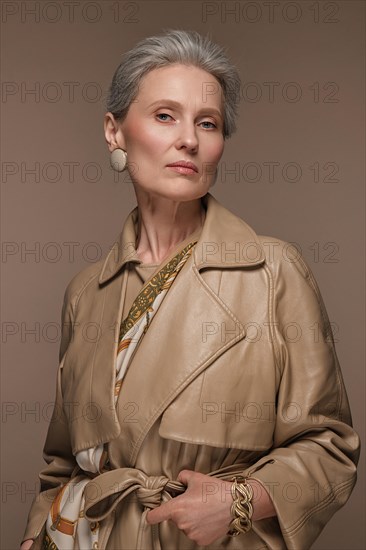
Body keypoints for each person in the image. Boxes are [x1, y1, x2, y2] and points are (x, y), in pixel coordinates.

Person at [21, 29, 359, 550]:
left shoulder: (274, 272)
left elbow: (330, 448)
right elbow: (63, 464)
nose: (190, 139)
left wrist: (241, 500)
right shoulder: (85, 291)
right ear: (115, 132)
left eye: (208, 123)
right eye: (164, 116)